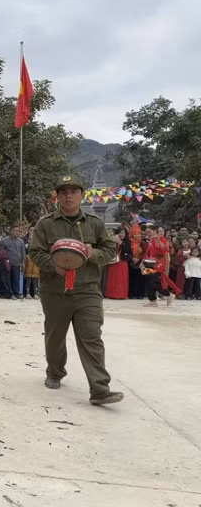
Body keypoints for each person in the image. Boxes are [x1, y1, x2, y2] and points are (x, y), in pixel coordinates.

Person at [29, 174, 123, 406]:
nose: (68, 195)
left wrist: (93, 254)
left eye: (73, 191)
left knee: (91, 336)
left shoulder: (95, 223)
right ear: (58, 197)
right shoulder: (45, 224)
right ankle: (55, 372)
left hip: (87, 290)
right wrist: (55, 266)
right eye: (63, 191)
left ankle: (100, 388)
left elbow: (110, 250)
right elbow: (35, 252)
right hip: (55, 290)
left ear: (82, 195)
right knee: (55, 336)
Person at [144, 227, 179, 307]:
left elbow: (164, 250)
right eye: (159, 231)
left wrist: (159, 240)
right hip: (149, 262)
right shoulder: (152, 239)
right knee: (148, 281)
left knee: (154, 282)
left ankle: (168, 294)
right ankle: (152, 300)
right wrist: (145, 260)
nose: (161, 232)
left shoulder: (164, 240)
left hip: (159, 263)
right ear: (155, 231)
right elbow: (148, 251)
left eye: (162, 231)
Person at [1, 226, 26, 299]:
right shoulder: (4, 240)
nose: (18, 232)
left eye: (18, 231)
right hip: (7, 263)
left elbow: (23, 253)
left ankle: (16, 293)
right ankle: (10, 294)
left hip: (17, 263)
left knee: (16, 279)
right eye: (16, 231)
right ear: (11, 231)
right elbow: (1, 251)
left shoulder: (21, 241)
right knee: (7, 279)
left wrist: (23, 262)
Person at [105, 228, 130, 300]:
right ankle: (112, 294)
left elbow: (127, 250)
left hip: (122, 262)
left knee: (121, 278)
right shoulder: (113, 242)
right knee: (113, 278)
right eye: (120, 233)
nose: (121, 234)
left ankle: (121, 294)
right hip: (114, 262)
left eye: (123, 233)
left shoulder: (127, 242)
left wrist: (120, 243)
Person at [127, 224, 146, 299]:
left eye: (138, 234)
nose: (137, 236)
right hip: (131, 262)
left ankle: (140, 294)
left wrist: (139, 259)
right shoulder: (129, 243)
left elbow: (145, 252)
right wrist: (132, 258)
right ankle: (132, 293)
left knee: (141, 278)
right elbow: (127, 252)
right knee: (132, 279)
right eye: (135, 234)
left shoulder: (143, 242)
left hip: (141, 263)